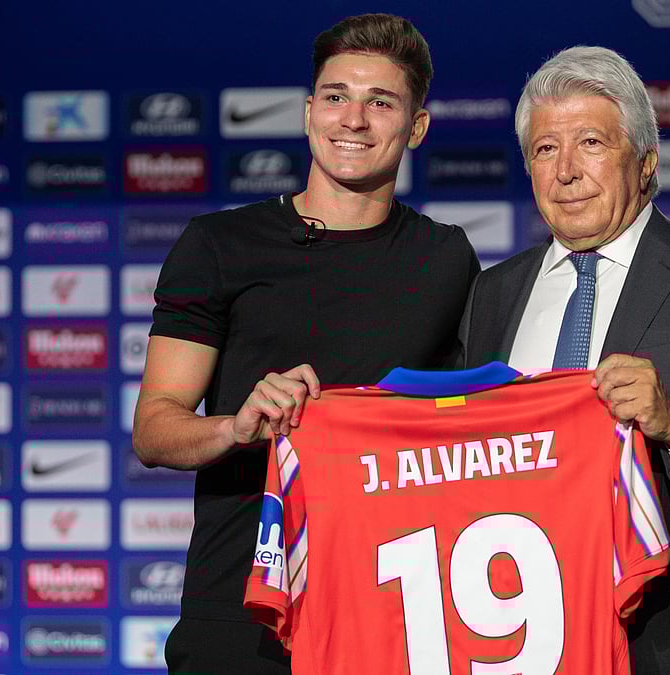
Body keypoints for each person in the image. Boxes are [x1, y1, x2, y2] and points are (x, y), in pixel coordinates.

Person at [133, 14, 479, 674]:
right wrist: (235, 427)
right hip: (242, 613)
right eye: (336, 96)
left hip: (392, 613)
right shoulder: (218, 246)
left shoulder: (447, 258)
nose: (353, 119)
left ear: (417, 126)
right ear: (308, 110)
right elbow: (154, 429)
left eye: (381, 102)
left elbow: (467, 427)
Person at [457, 46, 670, 674]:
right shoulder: (493, 291)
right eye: (544, 150)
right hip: (512, 624)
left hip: (665, 630)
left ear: (645, 163)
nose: (565, 172)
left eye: (590, 142)